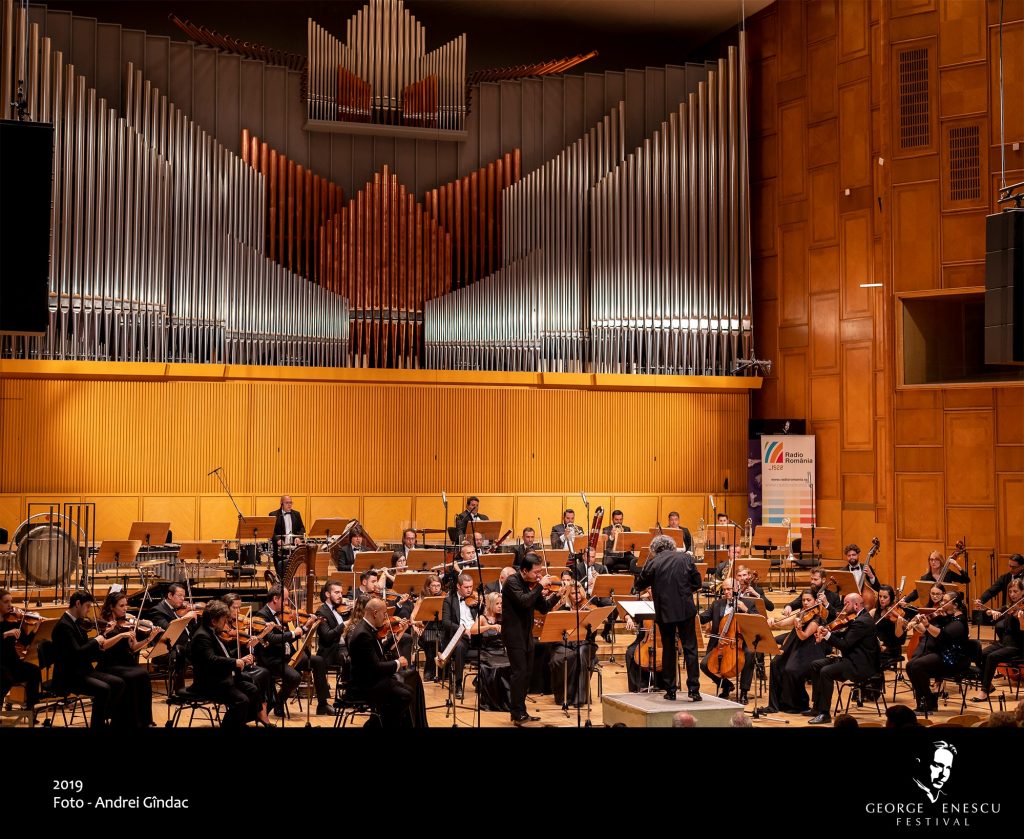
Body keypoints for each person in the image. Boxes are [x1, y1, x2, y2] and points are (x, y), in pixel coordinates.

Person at [636, 534, 702, 701]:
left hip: (665, 612)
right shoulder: (686, 558)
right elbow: (697, 583)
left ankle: (670, 690)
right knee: (690, 649)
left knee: (668, 650)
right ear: (672, 546)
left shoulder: (653, 562)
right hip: (686, 609)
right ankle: (694, 690)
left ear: (654, 549)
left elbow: (639, 585)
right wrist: (685, 592)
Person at [50, 590, 128, 728]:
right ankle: (97, 725)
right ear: (78, 604)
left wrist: (103, 638)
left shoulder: (76, 622)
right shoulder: (64, 626)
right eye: (87, 606)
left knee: (119, 683)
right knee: (104, 689)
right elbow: (77, 653)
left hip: (83, 670)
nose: (88, 610)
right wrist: (96, 641)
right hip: (69, 675)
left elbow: (85, 648)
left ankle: (112, 721)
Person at [253, 586, 335, 716]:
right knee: (295, 677)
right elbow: (272, 639)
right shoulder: (262, 615)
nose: (287, 604)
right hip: (273, 659)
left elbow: (288, 639)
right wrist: (293, 633)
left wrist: (306, 627)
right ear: (275, 599)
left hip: (287, 656)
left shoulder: (282, 614)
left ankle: (323, 704)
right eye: (285, 600)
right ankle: (279, 703)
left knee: (318, 660)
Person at [502, 553, 559, 726]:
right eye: (536, 572)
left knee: (527, 674)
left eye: (540, 572)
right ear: (524, 571)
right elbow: (525, 602)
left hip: (527, 634)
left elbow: (543, 608)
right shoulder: (512, 582)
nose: (539, 575)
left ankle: (522, 711)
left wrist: (558, 595)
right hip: (513, 635)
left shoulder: (531, 584)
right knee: (519, 673)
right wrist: (539, 587)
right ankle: (515, 713)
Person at [805, 593, 880, 724]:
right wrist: (827, 633)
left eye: (847, 604)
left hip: (859, 664)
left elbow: (845, 644)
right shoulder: (858, 618)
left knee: (826, 671)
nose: (844, 607)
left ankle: (824, 713)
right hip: (850, 659)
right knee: (816, 665)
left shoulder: (863, 621)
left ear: (856, 605)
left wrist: (828, 635)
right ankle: (817, 707)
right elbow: (845, 634)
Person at [189, 599, 264, 728]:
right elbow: (211, 660)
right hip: (209, 683)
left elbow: (223, 655)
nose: (226, 623)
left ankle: (238, 722)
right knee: (242, 700)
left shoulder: (212, 632)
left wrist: (242, 659)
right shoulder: (202, 636)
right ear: (213, 621)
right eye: (223, 620)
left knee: (253, 689)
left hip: (222, 678)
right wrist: (235, 662)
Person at [345, 597, 413, 728]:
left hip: (371, 680)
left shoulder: (367, 628)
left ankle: (377, 724)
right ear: (375, 613)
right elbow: (375, 667)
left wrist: (398, 634)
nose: (386, 617)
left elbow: (380, 651)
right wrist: (397, 663)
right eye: (384, 613)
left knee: (408, 691)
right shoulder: (363, 634)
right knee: (405, 696)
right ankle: (374, 725)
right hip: (364, 685)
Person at [97, 590, 161, 727]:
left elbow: (133, 648)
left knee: (143, 674)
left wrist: (150, 638)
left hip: (125, 662)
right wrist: (121, 635)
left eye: (126, 605)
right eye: (121, 606)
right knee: (133, 676)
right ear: (111, 607)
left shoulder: (127, 623)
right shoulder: (104, 624)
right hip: (109, 664)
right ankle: (128, 721)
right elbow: (103, 645)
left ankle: (143, 720)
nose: (125, 609)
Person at [761, 590, 826, 713]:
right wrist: (773, 621)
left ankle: (798, 703)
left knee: (791, 670)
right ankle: (775, 704)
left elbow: (803, 636)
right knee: (775, 664)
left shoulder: (817, 618)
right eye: (803, 600)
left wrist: (797, 627)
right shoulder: (802, 613)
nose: (806, 603)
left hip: (808, 650)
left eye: (808, 600)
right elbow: (783, 623)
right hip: (795, 646)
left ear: (815, 601)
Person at [906, 591, 970, 713]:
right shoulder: (945, 616)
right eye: (942, 601)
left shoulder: (959, 622)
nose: (941, 603)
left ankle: (928, 702)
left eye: (945, 601)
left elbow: (942, 635)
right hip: (941, 653)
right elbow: (929, 630)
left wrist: (928, 624)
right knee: (910, 665)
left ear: (955, 605)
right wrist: (919, 622)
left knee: (918, 666)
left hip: (953, 659)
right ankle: (925, 700)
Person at [699, 577, 757, 703]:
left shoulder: (748, 603)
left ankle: (744, 692)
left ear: (736, 589)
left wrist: (745, 610)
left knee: (749, 654)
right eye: (724, 589)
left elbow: (757, 621)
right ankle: (726, 685)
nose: (726, 592)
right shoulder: (717, 604)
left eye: (729, 589)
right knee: (704, 665)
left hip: (742, 641)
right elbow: (703, 618)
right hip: (721, 642)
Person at [219, 593, 273, 725]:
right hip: (231, 666)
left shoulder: (239, 624)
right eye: (235, 608)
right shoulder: (221, 627)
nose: (238, 611)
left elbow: (245, 645)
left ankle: (262, 710)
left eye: (239, 607)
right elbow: (225, 654)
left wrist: (261, 635)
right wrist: (242, 653)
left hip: (242, 663)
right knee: (261, 675)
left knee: (266, 673)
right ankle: (259, 713)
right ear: (226, 608)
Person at [972, 579, 1023, 703]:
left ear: (1023, 592)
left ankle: (984, 691)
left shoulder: (1021, 610)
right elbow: (991, 613)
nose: (1012, 594)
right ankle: (988, 685)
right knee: (979, 655)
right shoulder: (1009, 607)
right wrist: (990, 612)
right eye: (1010, 591)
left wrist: (1021, 620)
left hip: (1017, 646)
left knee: (992, 657)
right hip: (1003, 643)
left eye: (1015, 591)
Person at [548, 581, 598, 708]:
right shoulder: (563, 609)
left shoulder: (590, 608)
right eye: (573, 593)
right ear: (568, 595)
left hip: (585, 643)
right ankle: (563, 696)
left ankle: (579, 698)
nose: (577, 595)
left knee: (581, 653)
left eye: (579, 592)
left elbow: (593, 634)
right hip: (565, 643)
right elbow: (556, 632)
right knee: (557, 660)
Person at [0, 588, 42, 713]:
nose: (10, 605)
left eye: (11, 601)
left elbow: (25, 642)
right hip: (0, 664)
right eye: (6, 602)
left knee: (34, 671)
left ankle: (30, 709)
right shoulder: (8, 627)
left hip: (12, 662)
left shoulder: (13, 621)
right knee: (5, 678)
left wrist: (35, 629)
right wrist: (5, 634)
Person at [441, 573, 478, 699]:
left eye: (471, 587)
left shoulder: (475, 599)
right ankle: (457, 684)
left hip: (476, 634)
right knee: (460, 647)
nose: (469, 590)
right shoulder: (449, 600)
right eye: (466, 587)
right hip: (459, 636)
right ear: (458, 586)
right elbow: (445, 622)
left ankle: (482, 680)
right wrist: (463, 630)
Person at [473, 592, 512, 712]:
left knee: (509, 666)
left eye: (501, 603)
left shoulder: (504, 617)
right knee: (494, 668)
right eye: (497, 604)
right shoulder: (482, 618)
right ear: (490, 605)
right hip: (487, 652)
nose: (500, 606)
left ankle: (507, 702)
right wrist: (489, 627)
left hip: (502, 651)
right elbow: (473, 630)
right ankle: (492, 702)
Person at [903, 550, 970, 604]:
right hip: (932, 607)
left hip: (948, 606)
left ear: (941, 561)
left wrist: (957, 566)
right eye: (931, 560)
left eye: (936, 559)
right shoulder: (925, 578)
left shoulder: (948, 574)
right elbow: (917, 592)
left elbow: (966, 580)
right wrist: (905, 600)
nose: (933, 562)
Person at [316, 580, 349, 669]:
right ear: (327, 594)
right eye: (337, 592)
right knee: (353, 659)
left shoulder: (339, 609)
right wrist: (343, 625)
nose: (340, 596)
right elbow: (327, 635)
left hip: (344, 646)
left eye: (341, 593)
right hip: (332, 651)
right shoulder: (321, 612)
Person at [872, 585, 908, 666]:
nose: (881, 599)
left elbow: (899, 636)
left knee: (870, 659)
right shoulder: (876, 611)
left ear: (891, 598)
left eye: (885, 597)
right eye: (880, 596)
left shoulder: (897, 612)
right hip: (878, 646)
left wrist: (899, 622)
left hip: (891, 649)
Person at [269, 495, 305, 576]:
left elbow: (302, 528)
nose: (289, 505)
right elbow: (271, 530)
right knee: (280, 574)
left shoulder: (296, 514)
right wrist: (278, 539)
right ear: (281, 503)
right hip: (280, 549)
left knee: (293, 573)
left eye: (291, 503)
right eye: (287, 503)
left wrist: (298, 537)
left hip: (293, 548)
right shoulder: (273, 514)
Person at [417, 575, 444, 680]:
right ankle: (430, 671)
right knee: (430, 641)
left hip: (440, 629)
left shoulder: (444, 598)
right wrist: (417, 626)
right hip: (427, 630)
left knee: (444, 641)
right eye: (433, 586)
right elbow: (413, 617)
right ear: (428, 587)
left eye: (438, 585)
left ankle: (442, 672)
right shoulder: (423, 599)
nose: (436, 588)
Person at [602, 510, 634, 574]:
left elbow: (631, 546)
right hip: (612, 554)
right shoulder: (606, 530)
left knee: (634, 561)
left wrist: (623, 535)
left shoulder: (627, 529)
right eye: (616, 520)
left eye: (620, 519)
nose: (619, 522)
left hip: (625, 554)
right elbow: (606, 547)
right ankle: (609, 580)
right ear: (612, 519)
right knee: (607, 562)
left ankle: (632, 581)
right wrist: (612, 537)